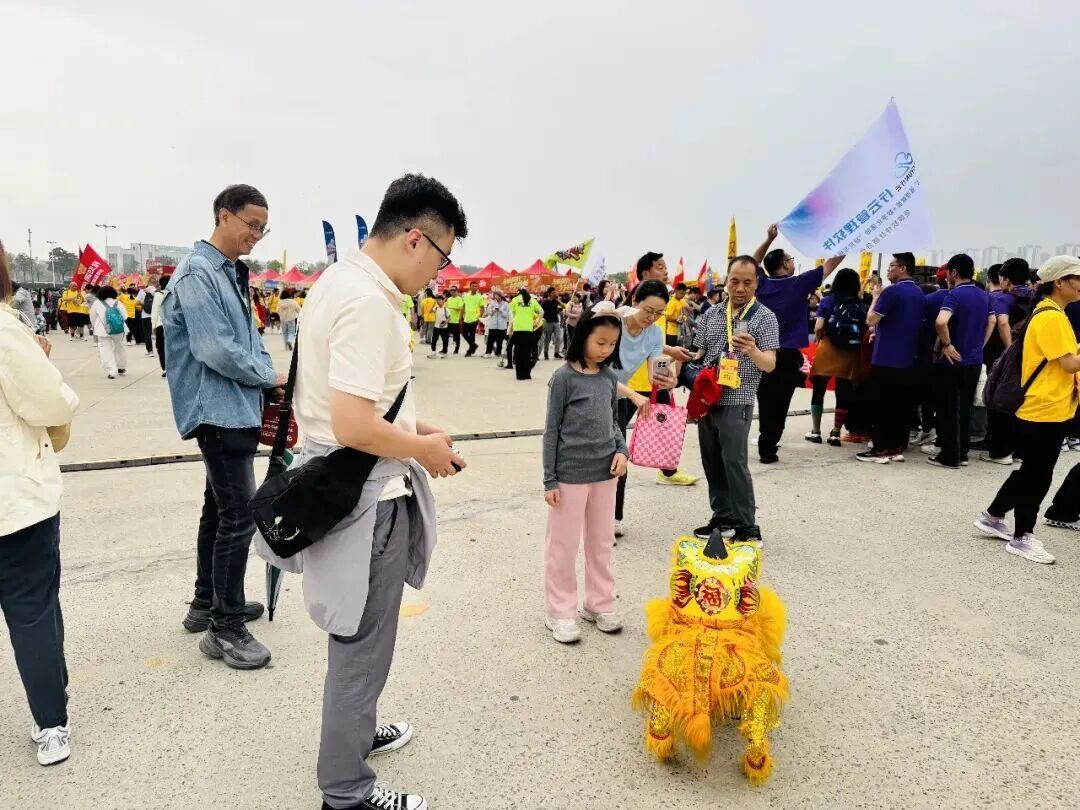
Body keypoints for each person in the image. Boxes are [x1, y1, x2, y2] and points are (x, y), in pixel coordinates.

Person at [254, 173, 467, 810]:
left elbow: (345, 409)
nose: (438, 273)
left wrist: (416, 428)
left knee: (357, 637)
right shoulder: (370, 304)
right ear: (415, 238)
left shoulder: (337, 282)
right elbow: (351, 425)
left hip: (345, 483)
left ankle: (354, 734)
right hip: (367, 499)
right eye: (442, 256)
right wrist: (423, 450)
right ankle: (346, 790)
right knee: (362, 644)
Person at [162, 184, 284, 670]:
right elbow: (214, 347)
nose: (256, 234)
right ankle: (225, 627)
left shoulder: (230, 272)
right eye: (251, 224)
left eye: (263, 228)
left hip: (235, 407)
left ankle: (206, 603)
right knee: (239, 516)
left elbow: (248, 340)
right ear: (223, 215)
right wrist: (267, 377)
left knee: (218, 510)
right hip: (217, 411)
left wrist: (270, 376)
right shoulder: (198, 273)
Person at [0, 245, 80, 766]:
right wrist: (39, 363)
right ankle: (51, 721)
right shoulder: (6, 331)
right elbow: (50, 402)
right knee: (33, 611)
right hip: (14, 500)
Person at [974, 256, 1080, 564]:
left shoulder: (1051, 312)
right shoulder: (1052, 317)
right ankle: (1022, 536)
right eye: (1077, 278)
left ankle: (994, 516)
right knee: (1037, 475)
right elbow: (1069, 363)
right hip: (1044, 407)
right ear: (1059, 282)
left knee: (1031, 471)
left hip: (1046, 405)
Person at [543, 302, 627, 643]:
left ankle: (599, 604)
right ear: (583, 338)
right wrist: (549, 478)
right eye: (600, 342)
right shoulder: (563, 378)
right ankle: (560, 611)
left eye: (612, 344)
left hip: (606, 473)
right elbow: (551, 431)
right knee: (563, 546)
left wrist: (622, 450)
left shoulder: (609, 378)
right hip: (569, 476)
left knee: (601, 542)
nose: (606, 350)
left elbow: (614, 422)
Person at [692, 256, 779, 538]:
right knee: (712, 462)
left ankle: (746, 525)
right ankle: (722, 517)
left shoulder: (764, 317)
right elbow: (699, 354)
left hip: (737, 400)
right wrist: (676, 359)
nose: (740, 288)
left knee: (734, 463)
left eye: (747, 282)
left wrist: (752, 350)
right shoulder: (712, 314)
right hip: (707, 400)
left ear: (757, 283)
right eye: (735, 281)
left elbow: (770, 364)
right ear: (726, 281)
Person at [751, 224, 844, 463]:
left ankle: (766, 440)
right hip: (787, 355)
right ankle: (769, 445)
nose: (793, 262)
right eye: (790, 259)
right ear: (785, 265)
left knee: (765, 400)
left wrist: (768, 239)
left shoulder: (761, 284)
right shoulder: (799, 283)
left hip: (761, 353)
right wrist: (850, 240)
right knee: (781, 402)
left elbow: (752, 262)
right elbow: (832, 263)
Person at [612, 280, 679, 537]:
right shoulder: (612, 322)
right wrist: (633, 395)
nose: (652, 318)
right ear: (634, 302)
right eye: (648, 310)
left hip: (617, 399)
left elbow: (655, 373)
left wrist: (668, 378)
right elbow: (597, 373)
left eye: (659, 313)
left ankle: (613, 517)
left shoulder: (655, 334)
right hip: (591, 397)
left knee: (619, 456)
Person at [856, 253, 926, 463]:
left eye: (892, 265)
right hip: (908, 358)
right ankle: (896, 448)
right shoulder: (919, 293)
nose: (888, 269)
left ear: (903, 268)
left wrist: (876, 296)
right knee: (900, 407)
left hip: (886, 357)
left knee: (880, 406)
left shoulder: (891, 292)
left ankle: (880, 449)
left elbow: (871, 319)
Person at [926, 255, 994, 469]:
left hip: (952, 361)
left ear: (953, 273)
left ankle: (949, 456)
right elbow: (992, 320)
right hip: (974, 360)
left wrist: (947, 344)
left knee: (948, 409)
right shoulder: (984, 295)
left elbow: (941, 321)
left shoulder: (954, 295)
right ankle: (962, 453)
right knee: (965, 408)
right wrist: (980, 344)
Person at [983, 258, 1036, 464]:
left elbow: (1002, 322)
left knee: (999, 400)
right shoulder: (1034, 297)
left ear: (1005, 279)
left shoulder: (1003, 298)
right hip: (1029, 356)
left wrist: (1008, 350)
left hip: (1003, 357)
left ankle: (1000, 451)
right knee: (1021, 401)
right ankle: (1019, 451)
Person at [806, 268, 865, 445]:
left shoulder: (828, 300)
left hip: (828, 347)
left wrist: (819, 339)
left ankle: (816, 431)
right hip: (850, 352)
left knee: (819, 390)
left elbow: (818, 326)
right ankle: (836, 433)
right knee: (843, 392)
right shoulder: (859, 303)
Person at [89, 285, 129, 379]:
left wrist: (95, 326)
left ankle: (112, 371)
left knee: (105, 350)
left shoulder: (97, 303)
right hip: (119, 330)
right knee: (119, 347)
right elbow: (125, 316)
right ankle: (121, 367)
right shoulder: (118, 303)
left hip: (103, 330)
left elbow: (92, 317)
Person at [508, 289, 543, 379]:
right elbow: (542, 312)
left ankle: (520, 375)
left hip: (518, 329)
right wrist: (536, 323)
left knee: (518, 353)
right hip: (528, 329)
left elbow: (511, 313)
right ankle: (527, 374)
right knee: (527, 353)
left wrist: (512, 323)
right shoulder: (532, 300)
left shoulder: (515, 300)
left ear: (519, 294)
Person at [461, 281, 485, 356]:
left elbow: (482, 308)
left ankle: (470, 351)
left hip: (474, 319)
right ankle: (473, 346)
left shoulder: (480, 297)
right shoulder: (466, 296)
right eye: (473, 286)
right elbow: (463, 306)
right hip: (466, 318)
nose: (475, 287)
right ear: (470, 287)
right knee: (464, 334)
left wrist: (479, 317)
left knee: (472, 336)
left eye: (476, 286)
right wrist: (461, 316)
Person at [151, 276, 169, 377]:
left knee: (161, 347)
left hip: (161, 325)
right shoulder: (175, 293)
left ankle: (165, 368)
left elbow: (155, 311)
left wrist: (153, 326)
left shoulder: (158, 295)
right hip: (173, 325)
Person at [540, 287, 564, 360]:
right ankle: (546, 352)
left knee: (558, 337)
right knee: (548, 338)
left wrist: (558, 299)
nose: (554, 294)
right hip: (548, 322)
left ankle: (556, 352)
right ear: (549, 293)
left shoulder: (555, 300)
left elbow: (564, 306)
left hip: (556, 321)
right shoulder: (544, 302)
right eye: (553, 293)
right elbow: (540, 311)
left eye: (555, 292)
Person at [483, 290, 509, 357]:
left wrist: (501, 310)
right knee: (490, 340)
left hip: (502, 325)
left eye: (497, 295)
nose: (496, 297)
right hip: (493, 325)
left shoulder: (505, 304)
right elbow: (488, 312)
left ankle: (498, 353)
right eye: (495, 295)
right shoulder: (492, 303)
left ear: (500, 296)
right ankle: (488, 353)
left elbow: (507, 315)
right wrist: (493, 310)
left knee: (500, 341)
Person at [663, 282, 688, 347]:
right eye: (681, 293)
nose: (683, 295)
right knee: (675, 350)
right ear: (676, 291)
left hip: (681, 330)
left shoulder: (682, 300)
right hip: (672, 332)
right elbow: (667, 317)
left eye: (684, 294)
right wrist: (678, 319)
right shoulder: (672, 302)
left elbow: (686, 311)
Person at [137, 281, 156, 356]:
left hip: (145, 316)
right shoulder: (156, 291)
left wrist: (143, 304)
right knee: (159, 333)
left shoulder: (142, 291)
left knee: (147, 334)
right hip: (155, 315)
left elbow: (136, 302)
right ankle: (162, 350)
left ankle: (150, 351)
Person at [428, 293, 450, 358]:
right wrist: (434, 303)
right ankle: (433, 352)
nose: (438, 302)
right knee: (434, 340)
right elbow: (430, 311)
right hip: (436, 326)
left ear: (443, 301)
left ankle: (445, 353)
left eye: (439, 300)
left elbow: (449, 318)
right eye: (437, 300)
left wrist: (444, 324)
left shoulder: (446, 309)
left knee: (445, 340)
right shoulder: (436, 308)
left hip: (444, 327)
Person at [443, 286, 463, 354]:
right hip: (449, 320)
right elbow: (445, 307)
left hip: (456, 321)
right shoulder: (449, 299)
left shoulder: (459, 299)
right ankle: (444, 349)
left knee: (456, 336)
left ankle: (456, 349)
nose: (452, 291)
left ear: (456, 291)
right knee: (446, 336)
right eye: (451, 290)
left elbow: (460, 308)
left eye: (454, 290)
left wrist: (451, 308)